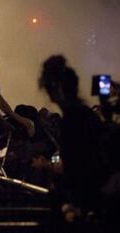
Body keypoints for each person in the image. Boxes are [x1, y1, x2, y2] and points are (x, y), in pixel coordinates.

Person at [39, 55, 109, 220]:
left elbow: (83, 168)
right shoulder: (82, 115)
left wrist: (78, 206)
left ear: (57, 89)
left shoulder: (73, 120)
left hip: (90, 206)